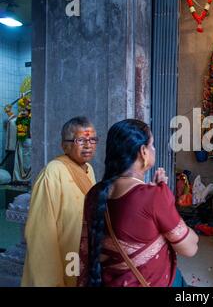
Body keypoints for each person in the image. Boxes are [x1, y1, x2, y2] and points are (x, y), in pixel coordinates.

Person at [78, 119, 198, 287]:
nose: (154, 149)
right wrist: (165, 202)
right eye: (152, 145)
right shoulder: (154, 197)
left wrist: (157, 197)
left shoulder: (94, 194)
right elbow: (190, 248)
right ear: (143, 152)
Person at [22, 116, 98, 287]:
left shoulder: (89, 170)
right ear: (64, 145)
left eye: (92, 139)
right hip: (60, 262)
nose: (88, 145)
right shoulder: (52, 173)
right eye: (81, 140)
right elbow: (40, 234)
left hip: (80, 256)